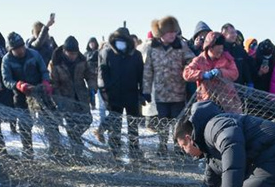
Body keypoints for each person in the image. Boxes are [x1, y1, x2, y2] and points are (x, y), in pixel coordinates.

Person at [142, 16, 194, 155]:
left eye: (174, 31)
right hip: (161, 94)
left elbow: (192, 61)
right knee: (163, 122)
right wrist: (146, 90)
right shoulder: (153, 47)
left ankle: (179, 147)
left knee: (178, 122)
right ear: (161, 33)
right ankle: (163, 146)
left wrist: (190, 69)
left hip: (178, 92)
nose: (172, 35)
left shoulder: (181, 46)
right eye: (169, 32)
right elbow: (148, 70)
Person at [1, 31, 59, 157]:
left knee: (51, 120)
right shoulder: (6, 60)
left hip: (40, 91)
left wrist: (45, 82)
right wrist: (18, 85)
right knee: (24, 124)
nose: (21, 50)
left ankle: (56, 149)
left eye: (22, 46)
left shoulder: (34, 54)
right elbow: (6, 80)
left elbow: (44, 71)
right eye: (17, 48)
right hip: (21, 95)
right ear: (11, 49)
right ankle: (28, 151)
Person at [98, 27, 144, 154]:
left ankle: (134, 149)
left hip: (131, 94)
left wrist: (142, 92)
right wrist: (105, 92)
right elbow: (102, 74)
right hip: (113, 95)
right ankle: (114, 149)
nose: (120, 43)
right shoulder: (107, 53)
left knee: (133, 125)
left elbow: (141, 75)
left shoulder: (135, 55)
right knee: (115, 124)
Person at [49, 35, 96, 153]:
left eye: (75, 53)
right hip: (66, 98)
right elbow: (54, 84)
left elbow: (90, 75)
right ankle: (77, 152)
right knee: (71, 125)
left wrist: (92, 88)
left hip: (81, 97)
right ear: (64, 51)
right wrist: (59, 100)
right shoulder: (56, 63)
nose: (73, 56)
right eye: (70, 53)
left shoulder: (82, 60)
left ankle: (75, 140)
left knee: (87, 120)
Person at [183, 31, 241, 113]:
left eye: (221, 50)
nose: (220, 53)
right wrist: (202, 74)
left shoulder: (227, 59)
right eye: (218, 51)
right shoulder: (199, 60)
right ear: (210, 48)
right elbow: (186, 73)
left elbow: (235, 73)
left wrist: (221, 72)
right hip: (206, 100)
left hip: (228, 101)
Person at [84, 37, 100, 110]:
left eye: (93, 43)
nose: (92, 44)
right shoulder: (86, 54)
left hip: (97, 74)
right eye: (91, 43)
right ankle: (93, 104)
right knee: (91, 90)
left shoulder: (98, 52)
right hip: (89, 75)